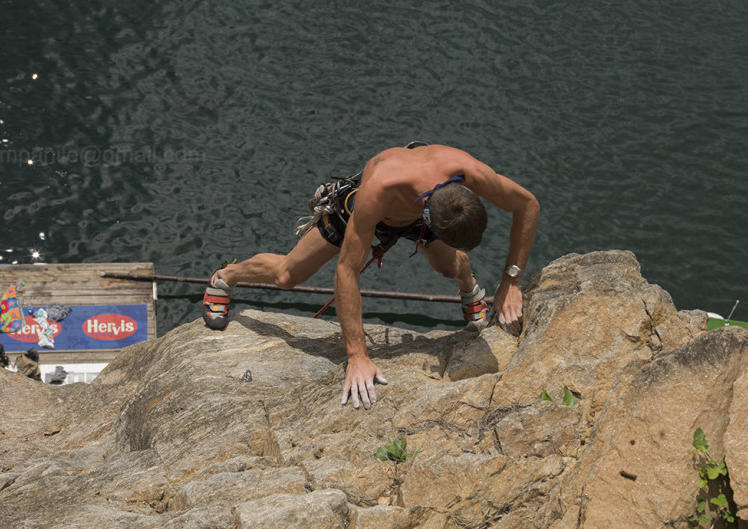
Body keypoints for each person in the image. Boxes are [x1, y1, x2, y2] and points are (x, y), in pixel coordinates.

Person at [202, 143, 539, 410]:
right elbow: (347, 270)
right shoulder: (380, 187)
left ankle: (471, 289)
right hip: (368, 208)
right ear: (429, 216)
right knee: (288, 274)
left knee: (450, 266)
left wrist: (511, 280)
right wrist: (358, 356)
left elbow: (528, 204)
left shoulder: (472, 172)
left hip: (425, 212)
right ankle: (226, 275)